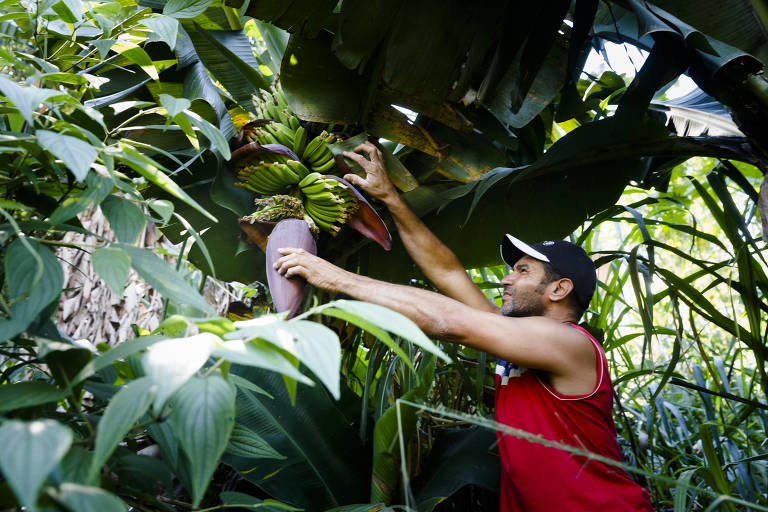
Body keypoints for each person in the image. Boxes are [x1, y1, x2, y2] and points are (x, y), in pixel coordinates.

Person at [273, 142, 654, 511]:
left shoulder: (570, 344)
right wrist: (390, 198)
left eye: (523, 271)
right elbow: (447, 271)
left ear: (559, 289)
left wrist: (337, 277)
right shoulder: (521, 337)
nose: (506, 279)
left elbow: (447, 321)